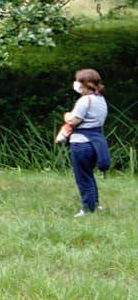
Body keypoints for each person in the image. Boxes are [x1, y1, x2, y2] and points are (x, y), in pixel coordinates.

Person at [60, 69, 110, 217]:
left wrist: (67, 115)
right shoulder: (101, 99)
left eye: (77, 81)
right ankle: (95, 204)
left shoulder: (84, 101)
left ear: (84, 83)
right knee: (89, 175)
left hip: (81, 143)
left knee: (82, 177)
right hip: (96, 142)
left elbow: (73, 120)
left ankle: (87, 209)